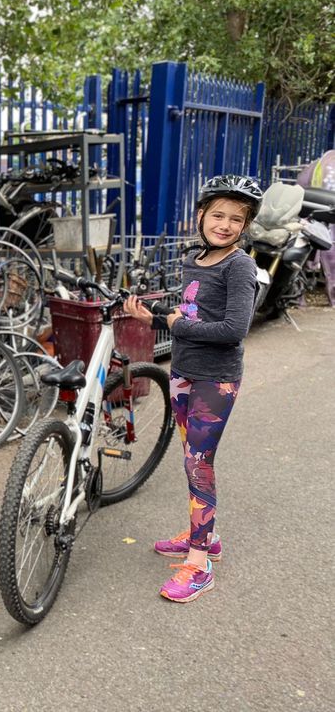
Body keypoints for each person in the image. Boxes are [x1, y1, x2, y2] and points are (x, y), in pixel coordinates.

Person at [124, 174, 262, 603]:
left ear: (246, 225)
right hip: (184, 372)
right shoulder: (195, 260)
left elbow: (233, 329)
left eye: (236, 219)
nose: (224, 224)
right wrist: (159, 312)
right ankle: (206, 536)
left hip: (214, 379)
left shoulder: (239, 266)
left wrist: (170, 323)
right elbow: (193, 309)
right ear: (201, 215)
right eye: (217, 214)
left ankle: (199, 563)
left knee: (200, 464)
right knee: (190, 462)